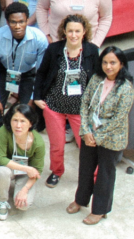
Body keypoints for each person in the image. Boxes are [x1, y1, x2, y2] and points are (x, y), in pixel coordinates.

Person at [69, 46, 134, 225]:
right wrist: (86, 130)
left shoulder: (126, 88)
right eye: (105, 62)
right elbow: (84, 104)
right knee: (85, 170)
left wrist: (97, 137)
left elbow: (118, 119)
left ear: (121, 64)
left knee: (105, 175)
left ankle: (100, 210)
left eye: (113, 63)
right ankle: (80, 200)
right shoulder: (97, 79)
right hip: (90, 133)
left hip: (111, 138)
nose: (108, 66)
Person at [34, 14, 98, 187]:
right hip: (54, 106)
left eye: (77, 31)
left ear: (84, 32)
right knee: (57, 145)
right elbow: (41, 73)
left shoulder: (92, 51)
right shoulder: (54, 49)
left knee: (86, 145)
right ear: (64, 31)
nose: (74, 35)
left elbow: (97, 79)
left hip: (80, 109)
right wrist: (37, 97)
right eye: (70, 31)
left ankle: (92, 175)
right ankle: (56, 171)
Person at [0, 2, 48, 131]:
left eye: (21, 21)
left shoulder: (39, 39)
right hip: (4, 71)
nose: (18, 26)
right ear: (7, 22)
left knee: (27, 116)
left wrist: (32, 98)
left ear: (27, 20)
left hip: (28, 73)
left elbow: (41, 72)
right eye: (13, 22)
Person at [0, 103, 44, 221]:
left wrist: (24, 190)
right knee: (2, 171)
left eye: (23, 121)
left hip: (27, 174)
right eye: (15, 120)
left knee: (23, 205)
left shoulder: (38, 142)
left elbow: (38, 170)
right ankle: (2, 201)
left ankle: (19, 189)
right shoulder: (4, 131)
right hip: (11, 167)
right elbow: (0, 158)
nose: (18, 125)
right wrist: (27, 169)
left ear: (30, 123)